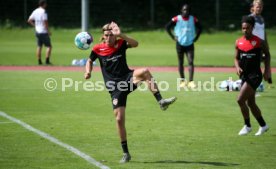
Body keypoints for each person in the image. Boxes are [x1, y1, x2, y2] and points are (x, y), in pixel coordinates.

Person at [84, 22, 176, 163]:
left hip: (128, 78)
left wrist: (121, 34)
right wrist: (88, 71)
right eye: (106, 35)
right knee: (119, 119)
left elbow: (135, 44)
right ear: (103, 36)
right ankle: (126, 153)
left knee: (145, 71)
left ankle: (161, 101)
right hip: (115, 88)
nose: (109, 38)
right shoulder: (98, 49)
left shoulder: (121, 43)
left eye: (111, 35)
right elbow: (89, 60)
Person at [234, 16, 271, 136]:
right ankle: (263, 125)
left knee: (240, 100)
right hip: (244, 75)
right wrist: (237, 67)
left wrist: (266, 71)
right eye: (243, 28)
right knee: (251, 103)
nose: (245, 30)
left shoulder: (259, 42)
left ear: (252, 28)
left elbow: (267, 55)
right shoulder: (238, 42)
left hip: (255, 75)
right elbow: (236, 58)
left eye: (248, 28)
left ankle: (247, 126)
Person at [165, 4, 202, 88]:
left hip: (190, 43)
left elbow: (200, 28)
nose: (186, 11)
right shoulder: (177, 19)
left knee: (190, 61)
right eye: (184, 10)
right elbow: (167, 27)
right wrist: (172, 36)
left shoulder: (193, 19)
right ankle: (182, 81)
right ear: (181, 11)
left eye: (187, 10)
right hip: (180, 44)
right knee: (181, 62)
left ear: (189, 11)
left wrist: (196, 37)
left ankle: (191, 81)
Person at [249, 0, 273, 86]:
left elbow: (263, 32)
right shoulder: (250, 18)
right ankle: (252, 84)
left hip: (261, 45)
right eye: (257, 6)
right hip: (253, 45)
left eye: (260, 7)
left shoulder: (261, 18)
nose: (259, 8)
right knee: (254, 65)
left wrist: (266, 44)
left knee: (265, 59)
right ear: (253, 7)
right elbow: (247, 32)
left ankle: (267, 75)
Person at [27, 0, 52, 65]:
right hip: (43, 31)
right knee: (49, 46)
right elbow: (45, 22)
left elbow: (29, 20)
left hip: (37, 31)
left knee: (39, 46)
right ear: (43, 4)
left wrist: (35, 25)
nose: (46, 5)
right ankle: (47, 61)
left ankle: (39, 61)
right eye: (45, 4)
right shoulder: (44, 12)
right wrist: (48, 31)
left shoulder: (35, 11)